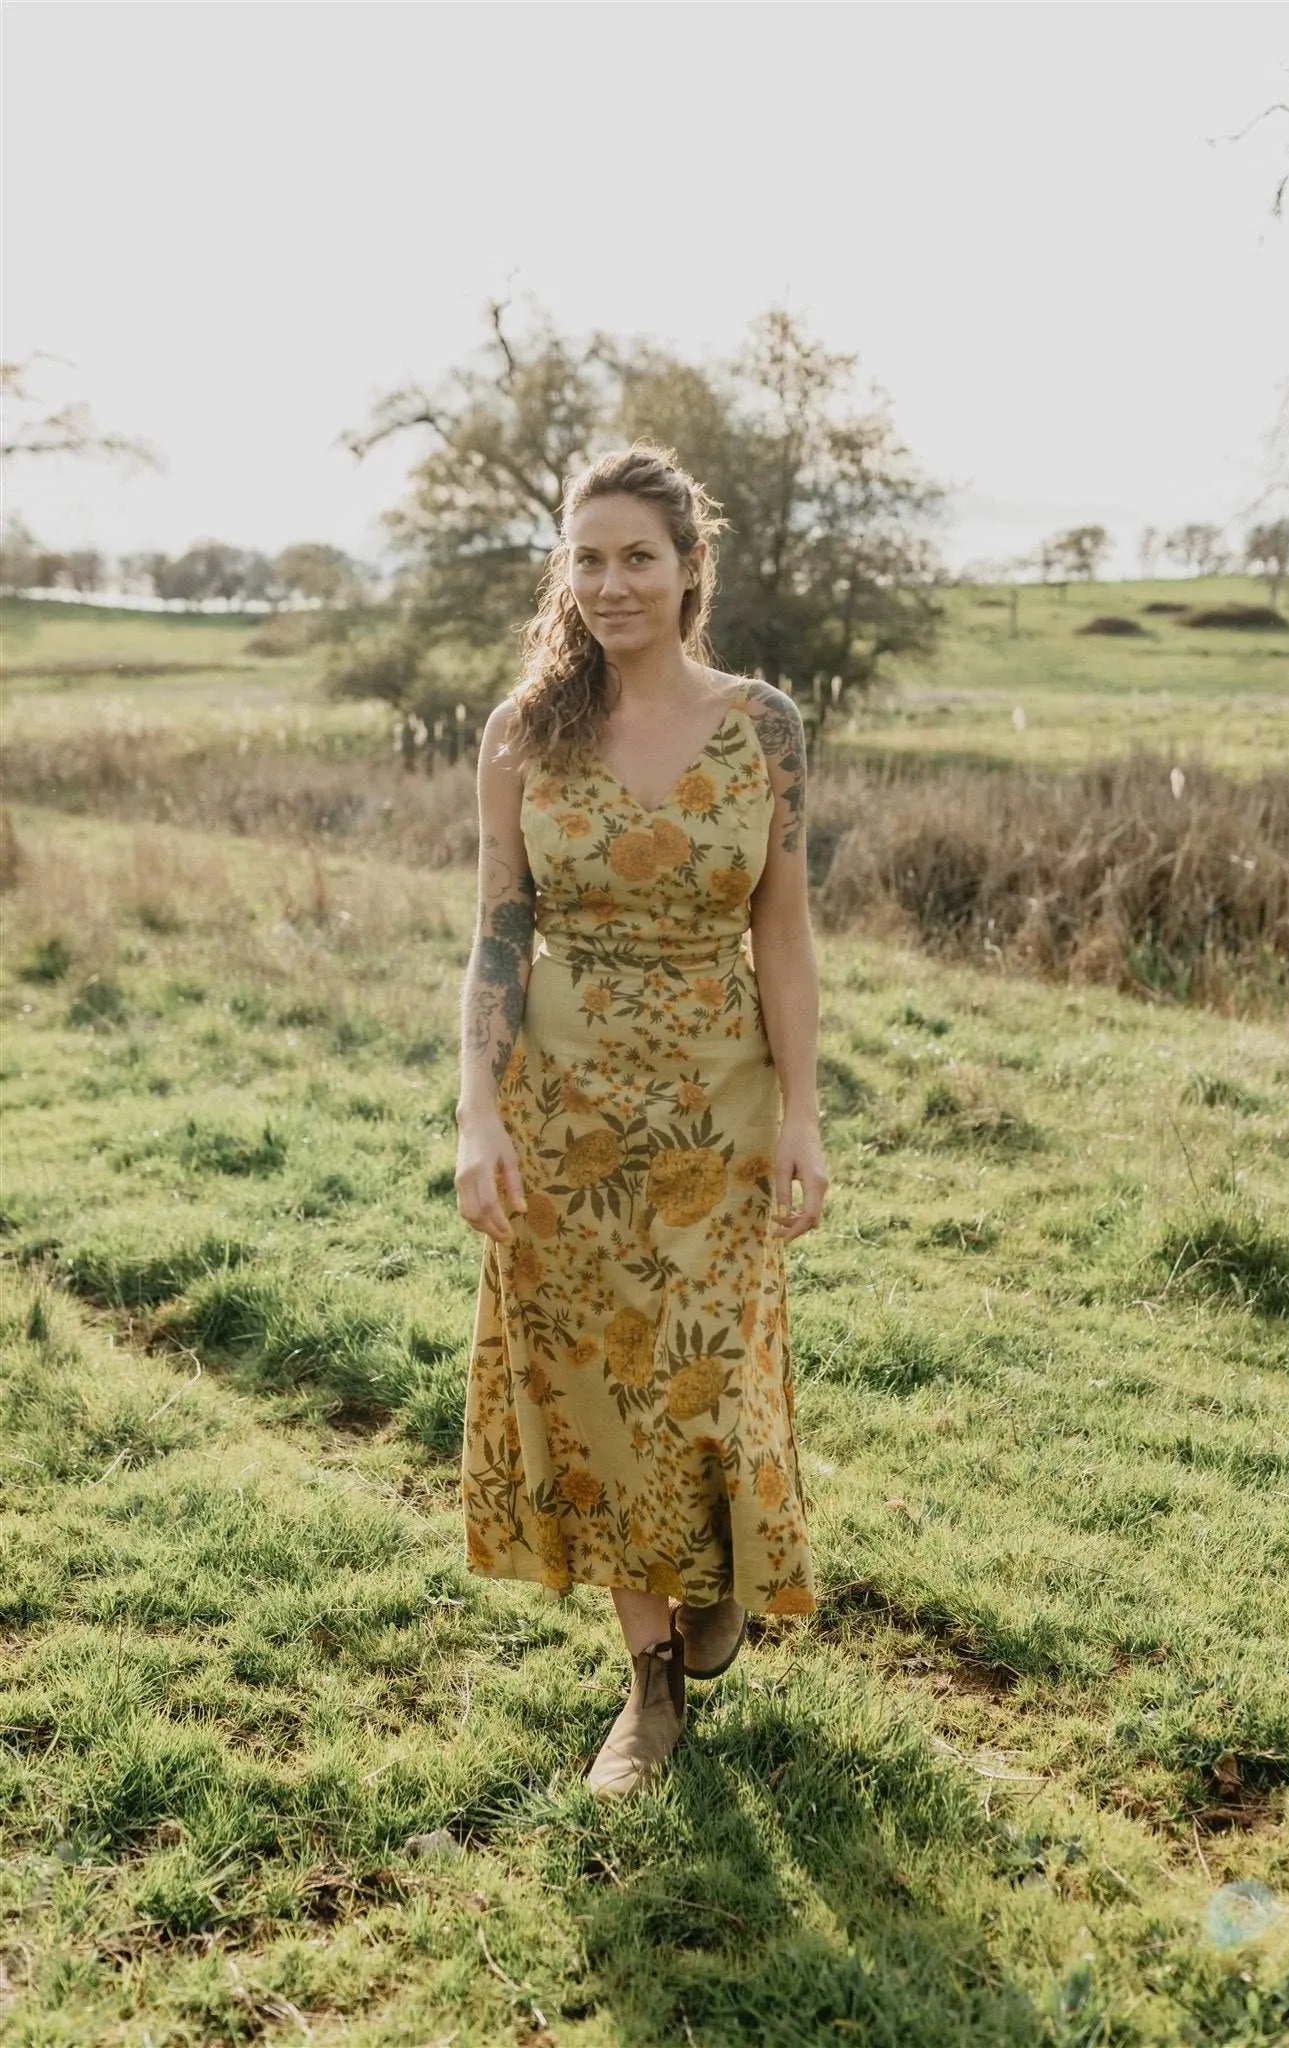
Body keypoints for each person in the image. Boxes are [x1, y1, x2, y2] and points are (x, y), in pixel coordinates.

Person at [455, 441, 828, 1801]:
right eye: (588, 557)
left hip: (719, 1108)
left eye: (639, 557)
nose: (612, 583)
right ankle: (650, 1678)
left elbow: (783, 935)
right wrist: (478, 1116)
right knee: (599, 1384)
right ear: (564, 570)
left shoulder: (764, 725)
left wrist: (804, 1114)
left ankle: (719, 1568)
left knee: (712, 1368)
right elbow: (498, 936)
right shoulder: (522, 731)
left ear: (688, 570)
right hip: (565, 1109)